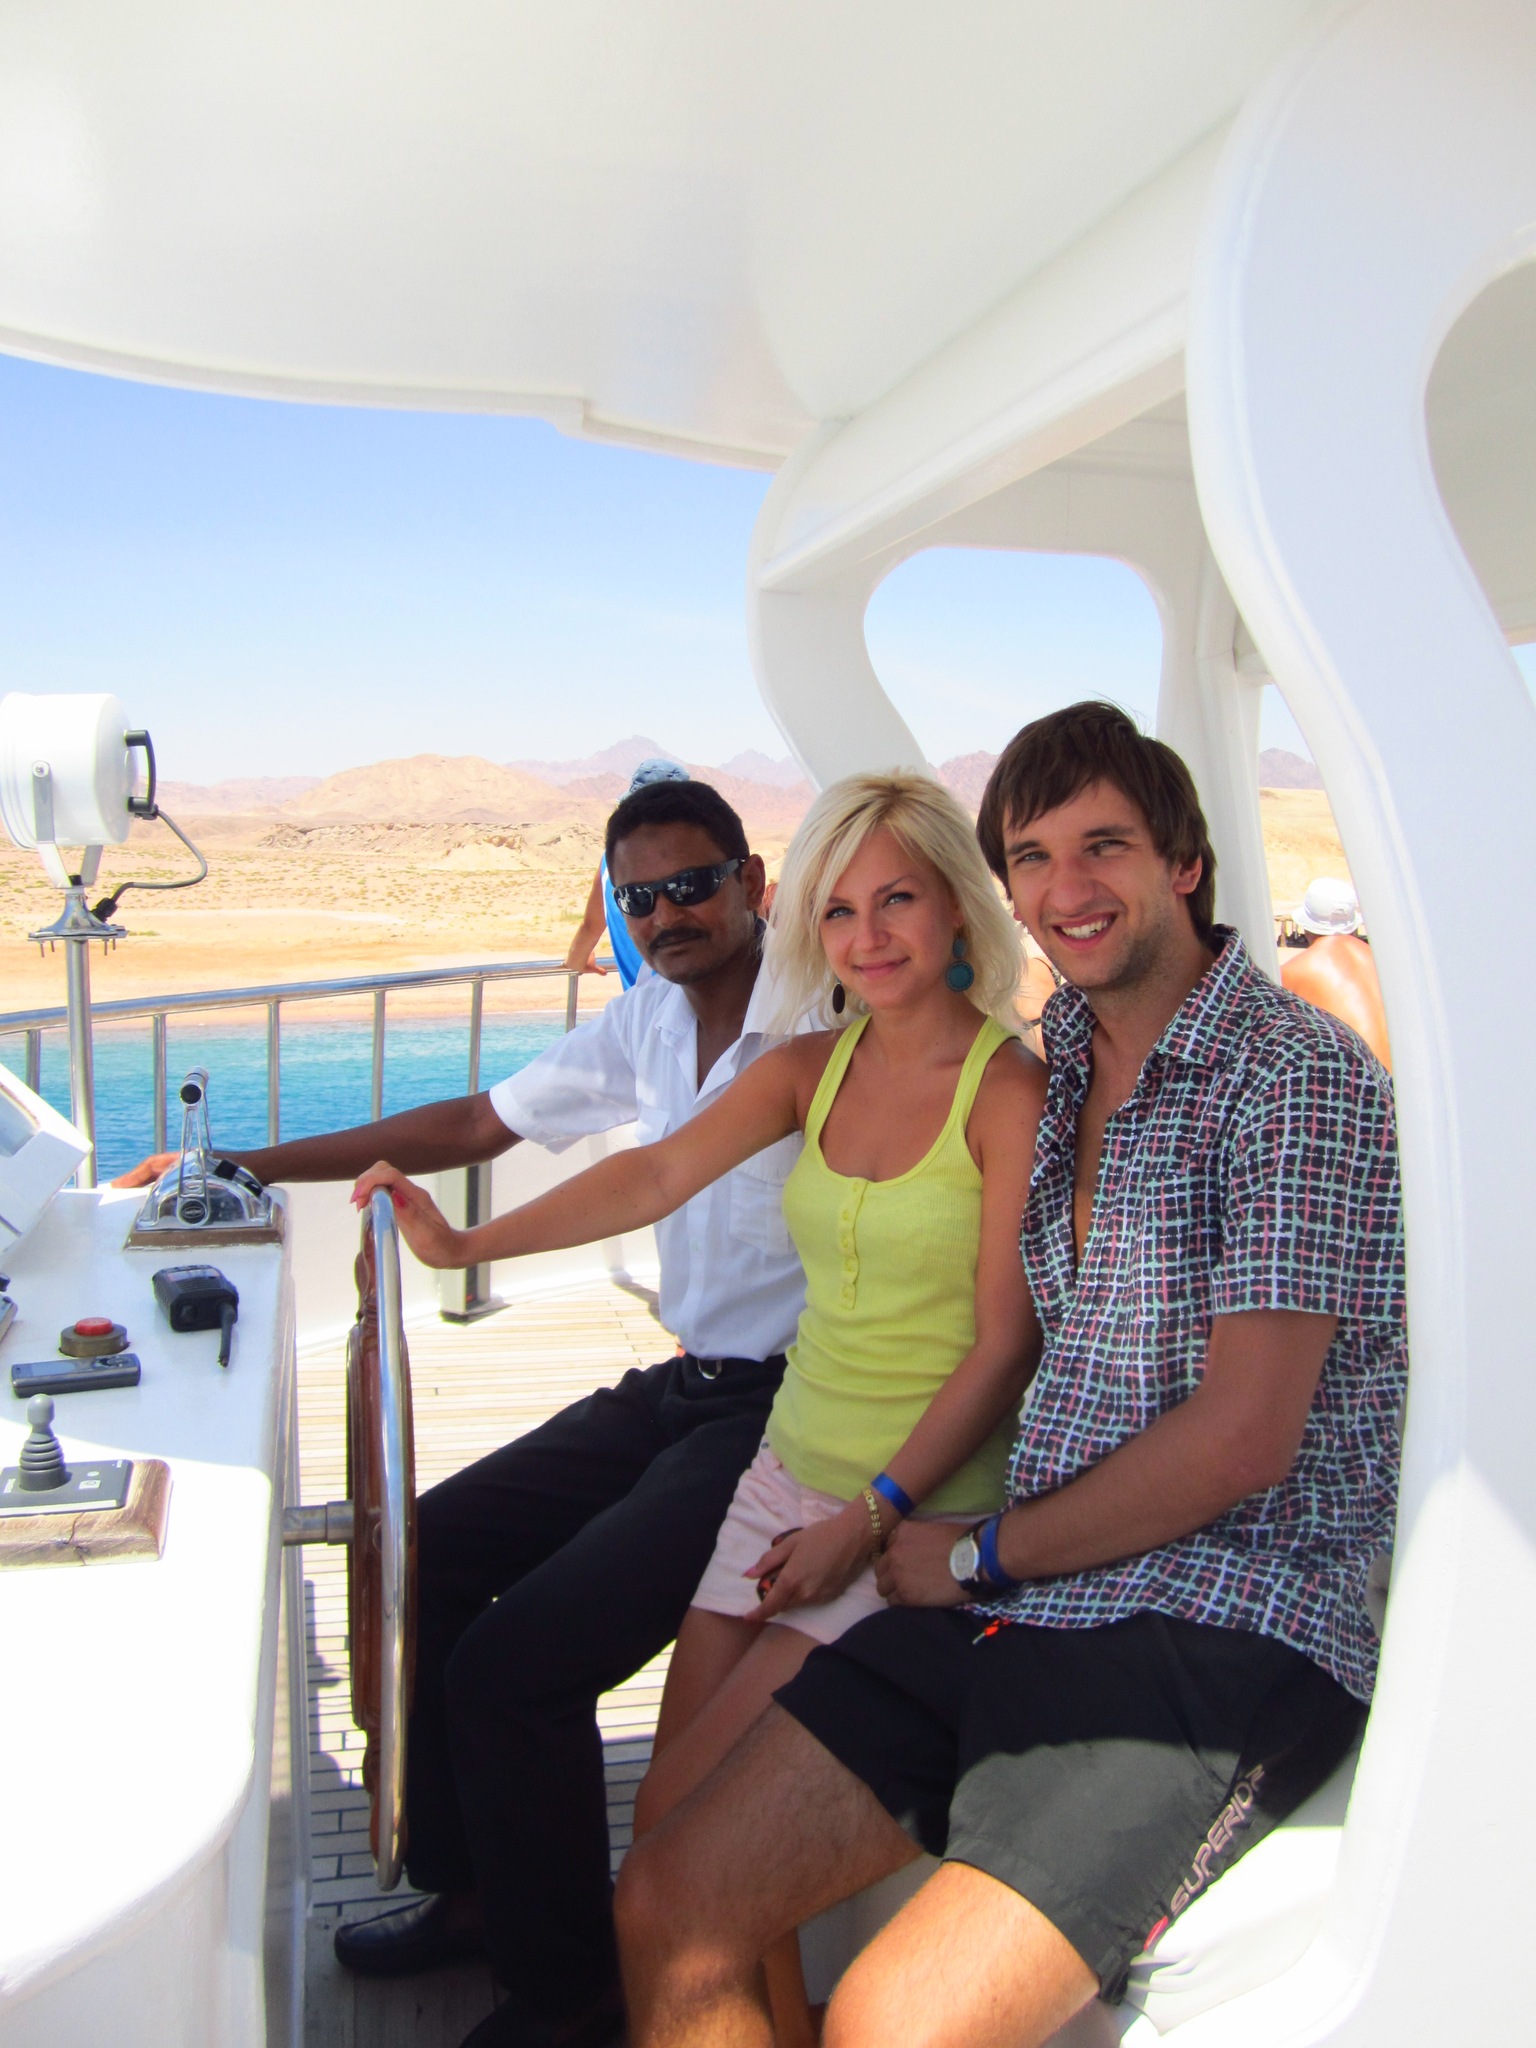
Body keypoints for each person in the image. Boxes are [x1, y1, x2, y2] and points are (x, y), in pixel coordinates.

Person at [612, 701, 1407, 2048]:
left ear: (1186, 863)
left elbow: (1242, 1440)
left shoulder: (1293, 1081)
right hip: (1036, 1593)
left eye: (1105, 846)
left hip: (1223, 1618)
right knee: (669, 1901)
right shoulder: (1073, 1051)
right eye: (1032, 857)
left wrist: (977, 1551)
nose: (1067, 888)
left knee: (889, 2020)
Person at [114, 776, 805, 2048]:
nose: (666, 915)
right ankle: (478, 1886)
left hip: (785, 1411)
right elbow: (480, 1119)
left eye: (693, 884)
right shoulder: (650, 1018)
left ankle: (573, 1992)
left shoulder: (827, 1020)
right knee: (423, 1554)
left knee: (514, 1666)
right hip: (686, 1381)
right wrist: (243, 1165)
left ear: (752, 882)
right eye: (639, 898)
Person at [357, 773, 1047, 2039]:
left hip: (895, 1507)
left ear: (958, 903)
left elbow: (1005, 1346)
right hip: (779, 1473)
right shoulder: (810, 1068)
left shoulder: (1009, 1091)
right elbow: (655, 1172)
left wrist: (873, 1514)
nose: (868, 936)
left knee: (683, 1847)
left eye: (897, 900)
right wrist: (462, 1244)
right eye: (840, 911)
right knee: (669, 1819)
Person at [564, 756, 691, 985]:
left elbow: (590, 927)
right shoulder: (694, 866)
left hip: (640, 1006)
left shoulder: (610, 863)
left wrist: (578, 959)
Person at [1279, 877, 1392, 1069]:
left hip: (1358, 1082)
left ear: (1306, 927)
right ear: (1353, 925)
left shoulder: (1294, 971)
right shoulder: (1382, 962)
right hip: (1403, 1077)